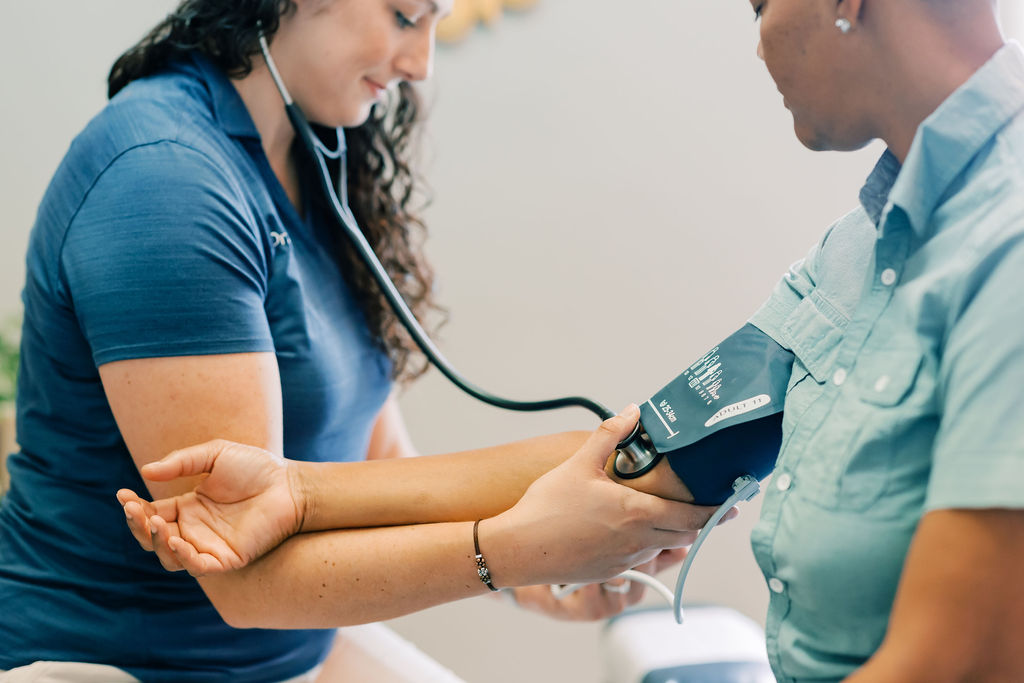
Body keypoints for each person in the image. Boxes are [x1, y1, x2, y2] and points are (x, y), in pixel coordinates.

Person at [125, 0, 1024, 680]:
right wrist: (298, 492)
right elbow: (659, 450)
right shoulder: (869, 242)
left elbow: (959, 655)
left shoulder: (1009, 247)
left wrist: (509, 554)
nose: (756, 41)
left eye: (757, 4)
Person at [0, 1, 719, 681]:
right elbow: (247, 583)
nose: (421, 62)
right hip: (116, 657)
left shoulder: (312, 154)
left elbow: (379, 464)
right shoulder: (162, 180)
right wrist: (516, 549)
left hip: (286, 652)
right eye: (405, 15)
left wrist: (535, 580)